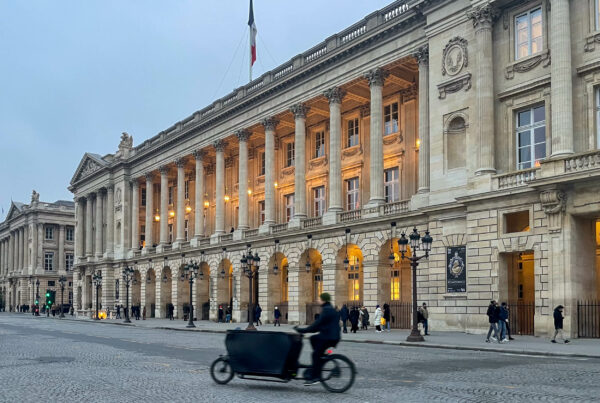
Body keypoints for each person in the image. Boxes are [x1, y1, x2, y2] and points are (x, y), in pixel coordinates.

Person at [295, 293, 341, 386]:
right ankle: (320, 359)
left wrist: (302, 330)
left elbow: (316, 325)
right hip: (331, 336)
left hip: (329, 337)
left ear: (324, 300)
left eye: (319, 299)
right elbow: (318, 326)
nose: (317, 300)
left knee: (315, 354)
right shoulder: (330, 309)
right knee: (313, 339)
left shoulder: (326, 310)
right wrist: (308, 330)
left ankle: (315, 377)